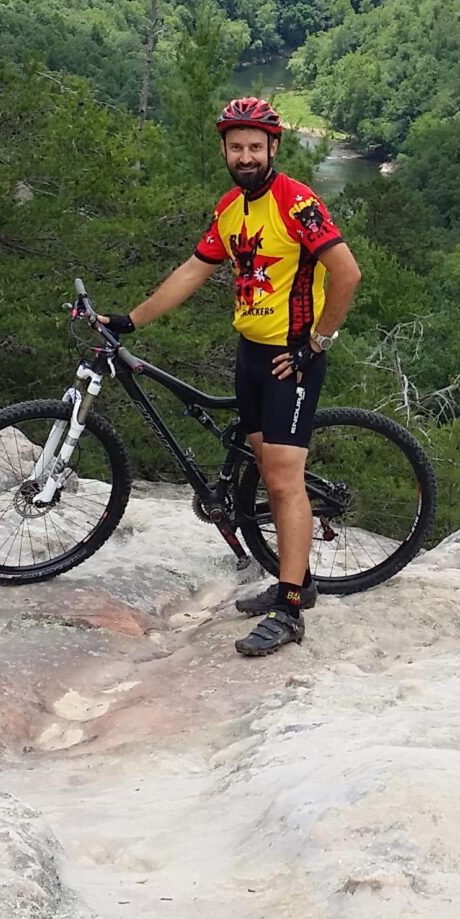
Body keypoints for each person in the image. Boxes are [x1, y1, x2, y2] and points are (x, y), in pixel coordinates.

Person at [101, 96, 360, 656]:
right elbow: (193, 269)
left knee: (286, 480)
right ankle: (301, 579)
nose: (246, 156)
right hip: (250, 355)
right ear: (225, 150)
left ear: (273, 148)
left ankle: (290, 610)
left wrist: (318, 342)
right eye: (236, 146)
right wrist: (130, 319)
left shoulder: (298, 204)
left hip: (292, 359)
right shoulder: (231, 209)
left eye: (255, 146)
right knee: (267, 472)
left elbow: (347, 272)